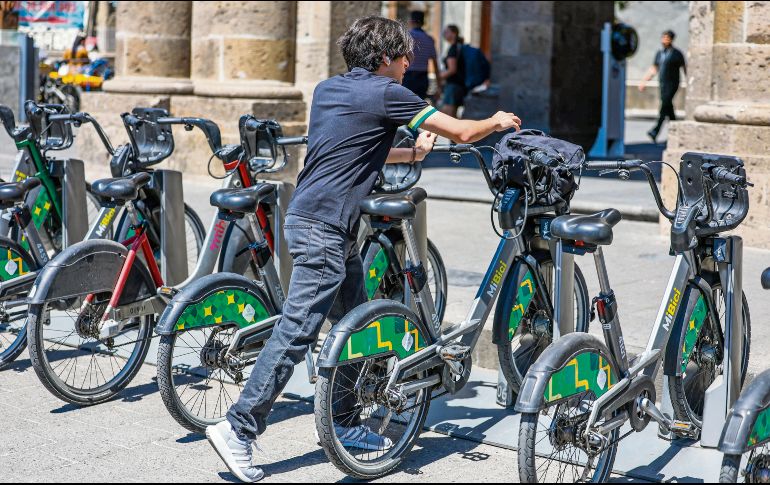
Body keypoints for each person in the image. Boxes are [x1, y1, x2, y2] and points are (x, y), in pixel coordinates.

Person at [205, 16, 521, 483]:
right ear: (386, 59)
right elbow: (462, 132)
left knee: (361, 324)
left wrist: (411, 154)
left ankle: (348, 423)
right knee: (298, 331)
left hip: (310, 220)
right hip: (327, 229)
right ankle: (238, 429)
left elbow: (350, 146)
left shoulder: (328, 90)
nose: (409, 64)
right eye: (404, 56)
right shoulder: (389, 94)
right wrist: (496, 120)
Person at [639, 30, 686, 143]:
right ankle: (676, 133)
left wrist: (689, 82)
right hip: (663, 83)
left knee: (665, 104)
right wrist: (644, 81)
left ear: (671, 39)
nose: (664, 40)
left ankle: (656, 130)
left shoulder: (676, 53)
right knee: (668, 108)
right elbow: (654, 68)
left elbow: (684, 68)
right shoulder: (659, 53)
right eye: (663, 37)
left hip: (673, 84)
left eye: (667, 38)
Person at [402, 10, 441, 100]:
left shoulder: (407, 36)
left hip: (408, 77)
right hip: (423, 78)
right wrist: (439, 85)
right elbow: (435, 63)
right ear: (423, 22)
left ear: (411, 21)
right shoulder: (429, 39)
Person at [439, 24, 466, 117]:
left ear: (454, 34)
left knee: (447, 115)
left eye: (446, 32)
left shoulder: (453, 48)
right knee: (451, 114)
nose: (444, 34)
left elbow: (452, 69)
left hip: (453, 85)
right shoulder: (459, 47)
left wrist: (440, 76)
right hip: (459, 85)